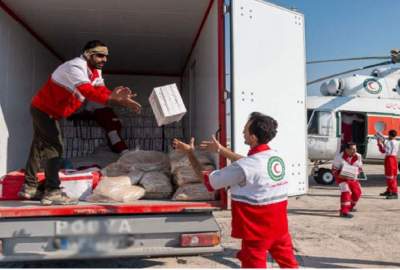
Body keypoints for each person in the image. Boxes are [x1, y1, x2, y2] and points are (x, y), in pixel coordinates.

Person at [18, 40, 142, 205]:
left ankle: (29, 187)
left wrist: (114, 96)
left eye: (106, 56)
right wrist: (115, 99)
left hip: (49, 112)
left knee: (39, 145)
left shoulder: (95, 71)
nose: (104, 59)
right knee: (55, 147)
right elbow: (88, 91)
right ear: (87, 54)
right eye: (99, 55)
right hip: (43, 110)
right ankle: (52, 191)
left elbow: (100, 89)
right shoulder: (75, 67)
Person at [173, 112, 298, 268]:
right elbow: (251, 164)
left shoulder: (244, 167)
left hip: (256, 232)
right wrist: (221, 150)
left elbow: (208, 180)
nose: (242, 132)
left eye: (245, 130)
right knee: (290, 265)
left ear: (253, 137)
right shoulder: (276, 157)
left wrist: (190, 153)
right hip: (280, 229)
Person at [332, 142, 363, 218]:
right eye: (352, 149)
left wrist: (357, 172)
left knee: (357, 193)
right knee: (346, 191)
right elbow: (334, 170)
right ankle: (344, 212)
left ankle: (350, 206)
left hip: (352, 177)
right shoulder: (339, 157)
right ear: (346, 150)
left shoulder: (358, 156)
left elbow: (360, 167)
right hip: (341, 177)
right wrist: (341, 175)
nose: (354, 151)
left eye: (355, 149)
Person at [377, 129, 399, 199]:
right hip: (394, 159)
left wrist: (379, 143)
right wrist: (383, 142)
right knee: (392, 176)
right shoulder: (396, 141)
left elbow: (383, 151)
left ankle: (394, 192)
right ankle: (389, 190)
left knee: (390, 177)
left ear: (389, 135)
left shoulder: (389, 142)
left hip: (389, 159)